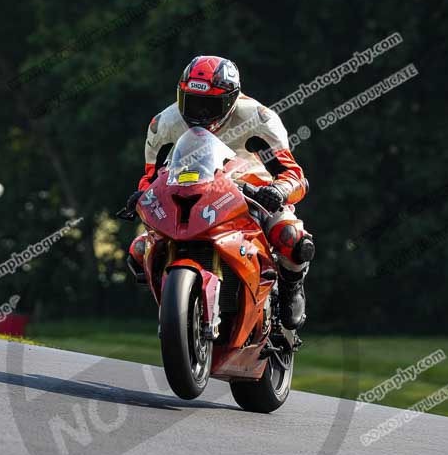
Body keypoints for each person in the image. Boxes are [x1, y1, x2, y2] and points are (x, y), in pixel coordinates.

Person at [126, 55, 315, 330]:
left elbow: (293, 174)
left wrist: (278, 190)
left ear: (232, 99)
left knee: (293, 239)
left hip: (252, 191)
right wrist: (142, 195)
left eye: (210, 105)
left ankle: (292, 287)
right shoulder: (164, 124)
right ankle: (176, 303)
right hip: (188, 190)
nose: (200, 113)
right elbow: (151, 176)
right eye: (192, 102)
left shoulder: (258, 119)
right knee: (139, 250)